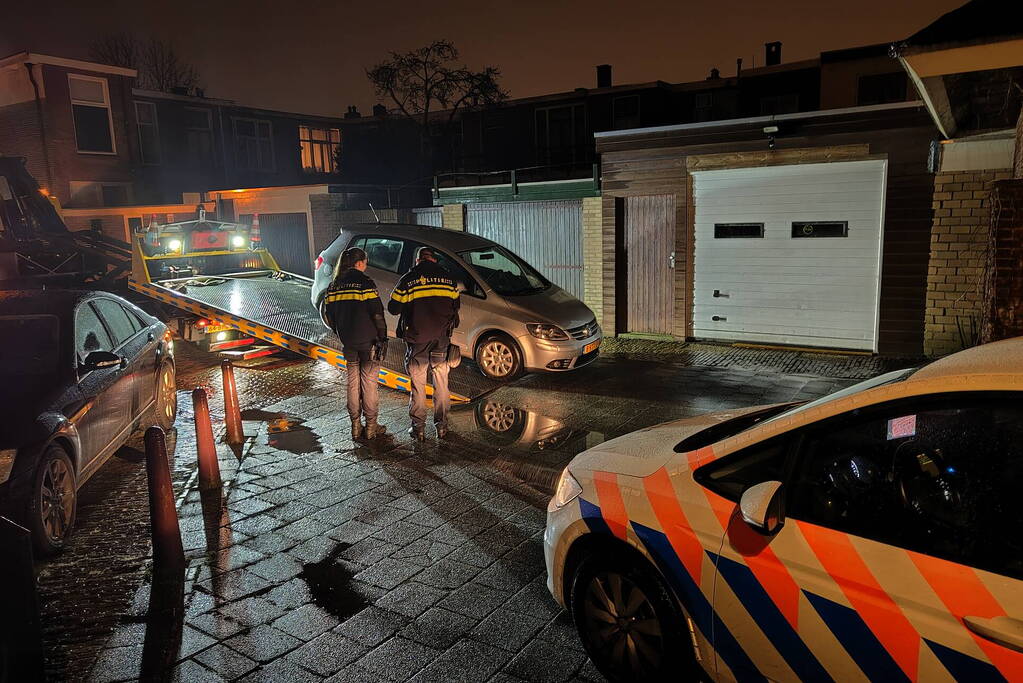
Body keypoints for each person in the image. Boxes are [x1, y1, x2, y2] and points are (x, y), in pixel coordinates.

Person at [388, 247, 460, 441]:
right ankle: (442, 427)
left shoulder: (409, 279)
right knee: (442, 382)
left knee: (418, 384)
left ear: (418, 260)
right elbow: (456, 306)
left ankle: (418, 428)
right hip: (441, 339)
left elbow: (393, 307)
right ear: (434, 261)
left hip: (417, 339)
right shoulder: (448, 279)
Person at [321, 247, 388, 441]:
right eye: (365, 262)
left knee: (352, 384)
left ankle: (355, 426)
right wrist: (382, 337)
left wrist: (341, 332)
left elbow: (329, 316)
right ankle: (371, 426)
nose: (366, 266)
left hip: (348, 342)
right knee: (369, 384)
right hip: (369, 342)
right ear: (359, 263)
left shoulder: (334, 286)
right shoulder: (365, 283)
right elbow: (377, 313)